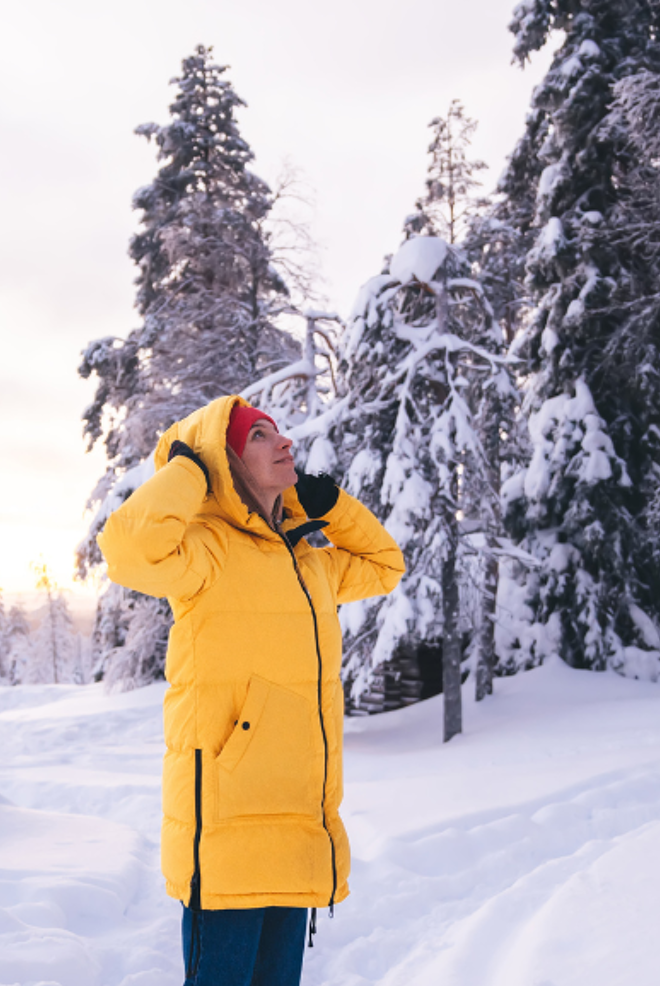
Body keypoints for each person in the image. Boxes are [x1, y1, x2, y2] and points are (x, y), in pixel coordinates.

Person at [99, 395, 405, 986]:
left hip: (297, 825)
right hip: (226, 830)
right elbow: (128, 550)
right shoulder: (206, 549)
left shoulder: (310, 559)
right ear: (227, 459)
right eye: (260, 435)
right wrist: (189, 471)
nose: (284, 441)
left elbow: (386, 564)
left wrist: (330, 505)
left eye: (279, 432)